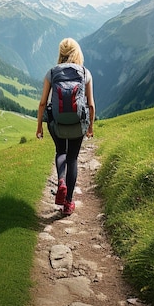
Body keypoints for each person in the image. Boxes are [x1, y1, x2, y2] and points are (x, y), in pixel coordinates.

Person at [36, 38, 95, 215]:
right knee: (73, 158)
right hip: (78, 123)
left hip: (57, 123)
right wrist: (90, 126)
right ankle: (68, 203)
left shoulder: (52, 73)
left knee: (61, 151)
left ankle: (61, 180)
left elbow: (42, 103)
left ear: (60, 53)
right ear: (78, 53)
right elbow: (90, 105)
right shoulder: (85, 73)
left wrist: (39, 126)